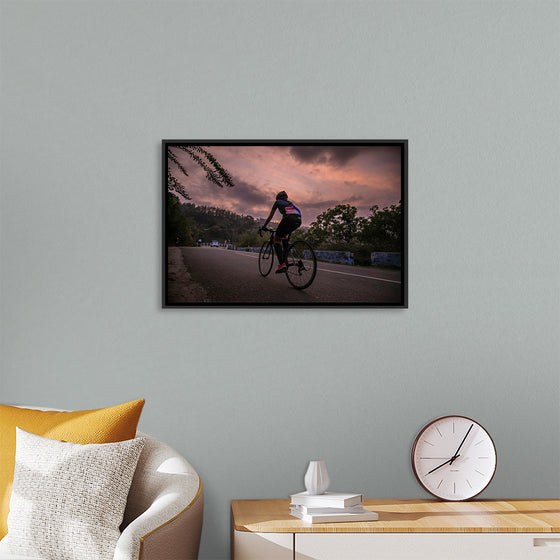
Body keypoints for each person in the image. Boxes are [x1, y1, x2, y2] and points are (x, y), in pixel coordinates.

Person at [260, 190, 302, 273]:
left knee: (276, 239)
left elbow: (270, 217)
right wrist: (288, 232)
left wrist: (264, 226)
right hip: (298, 220)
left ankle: (282, 264)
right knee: (284, 237)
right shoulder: (290, 204)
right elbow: (289, 219)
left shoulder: (277, 202)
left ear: (278, 198)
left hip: (289, 218)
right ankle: (286, 259)